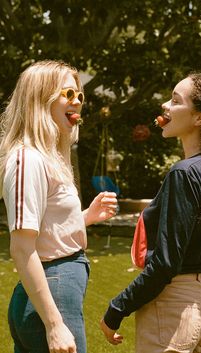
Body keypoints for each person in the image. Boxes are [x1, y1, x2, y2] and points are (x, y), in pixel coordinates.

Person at [100, 73, 201, 352]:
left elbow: (165, 263)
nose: (164, 105)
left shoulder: (184, 173)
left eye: (175, 100)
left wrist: (116, 309)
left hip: (172, 311)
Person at [0, 59, 117, 353]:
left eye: (80, 95)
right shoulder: (27, 160)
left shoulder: (47, 157)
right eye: (68, 94)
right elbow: (22, 248)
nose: (77, 101)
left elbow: (45, 229)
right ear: (40, 99)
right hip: (53, 292)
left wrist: (85, 217)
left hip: (58, 288)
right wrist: (54, 324)